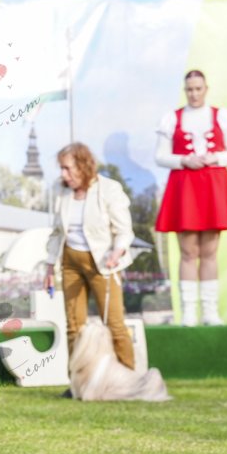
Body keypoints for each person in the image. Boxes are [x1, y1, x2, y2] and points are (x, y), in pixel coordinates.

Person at [154, 69, 227, 326]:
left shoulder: (221, 117)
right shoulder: (172, 118)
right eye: (189, 89)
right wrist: (184, 160)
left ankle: (210, 311)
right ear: (185, 90)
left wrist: (215, 157)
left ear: (206, 89)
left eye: (198, 89)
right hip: (185, 186)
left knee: (210, 250)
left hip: (213, 185)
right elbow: (160, 156)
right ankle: (189, 312)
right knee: (188, 250)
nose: (194, 94)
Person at [44, 143, 137, 390]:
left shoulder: (109, 189)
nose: (63, 174)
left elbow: (124, 230)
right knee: (74, 327)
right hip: (70, 262)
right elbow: (56, 232)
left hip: (103, 263)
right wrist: (49, 267)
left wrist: (117, 252)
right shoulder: (61, 191)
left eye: (67, 168)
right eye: (61, 168)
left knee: (115, 324)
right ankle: (78, 385)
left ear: (84, 166)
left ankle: (128, 381)